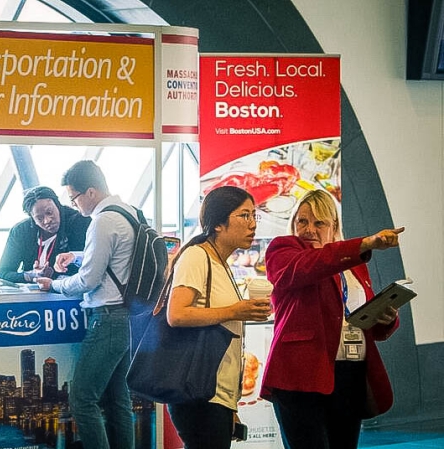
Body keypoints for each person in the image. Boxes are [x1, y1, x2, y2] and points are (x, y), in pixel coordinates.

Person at [261, 189, 403, 449]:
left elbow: (364, 320)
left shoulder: (355, 263)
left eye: (319, 222)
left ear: (334, 226)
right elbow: (312, 265)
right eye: (302, 221)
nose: (309, 229)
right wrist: (365, 244)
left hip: (349, 374)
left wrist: (386, 316)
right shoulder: (283, 250)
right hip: (301, 376)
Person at [35, 160, 137, 449]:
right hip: (129, 317)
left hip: (107, 319)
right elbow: (116, 259)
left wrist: (53, 284)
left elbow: (88, 281)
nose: (74, 205)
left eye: (73, 197)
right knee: (119, 400)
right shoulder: (129, 212)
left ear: (90, 192)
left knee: (81, 399)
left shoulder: (102, 221)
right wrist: (77, 256)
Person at [165, 186, 272, 449]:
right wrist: (235, 311)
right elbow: (176, 315)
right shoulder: (196, 256)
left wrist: (231, 403)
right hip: (198, 393)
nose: (252, 224)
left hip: (216, 395)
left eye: (253, 216)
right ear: (218, 224)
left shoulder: (220, 262)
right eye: (244, 216)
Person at [0, 186, 91, 284]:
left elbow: (88, 269)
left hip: (69, 294)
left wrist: (53, 276)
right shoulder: (21, 231)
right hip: (32, 295)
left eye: (49, 212)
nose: (47, 220)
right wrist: (31, 275)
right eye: (39, 218)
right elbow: (1, 274)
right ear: (32, 219)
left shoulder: (79, 222)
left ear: (57, 205)